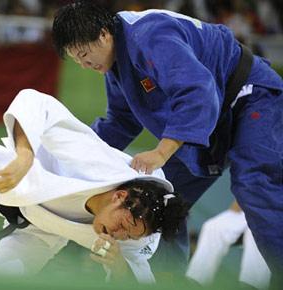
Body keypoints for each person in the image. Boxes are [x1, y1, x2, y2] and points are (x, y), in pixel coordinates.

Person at [51, 1, 283, 286]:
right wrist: (67, 156)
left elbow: (198, 90)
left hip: (249, 96)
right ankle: (167, 281)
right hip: (213, 119)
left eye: (85, 55)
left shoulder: (149, 36)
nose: (86, 65)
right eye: (78, 61)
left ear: (103, 34)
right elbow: (120, 122)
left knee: (254, 184)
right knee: (160, 203)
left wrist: (162, 151)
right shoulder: (116, 65)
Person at [0, 89, 188, 283]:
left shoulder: (137, 233)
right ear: (119, 196)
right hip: (8, 181)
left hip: (41, 231)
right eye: (124, 225)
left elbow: (143, 279)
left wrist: (121, 268)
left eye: (130, 235)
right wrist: (25, 156)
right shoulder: (93, 161)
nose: (120, 236)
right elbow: (36, 100)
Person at [186, 201, 271, 289]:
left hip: (275, 218)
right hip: (252, 212)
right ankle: (196, 283)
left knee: (258, 233)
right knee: (213, 227)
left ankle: (251, 286)